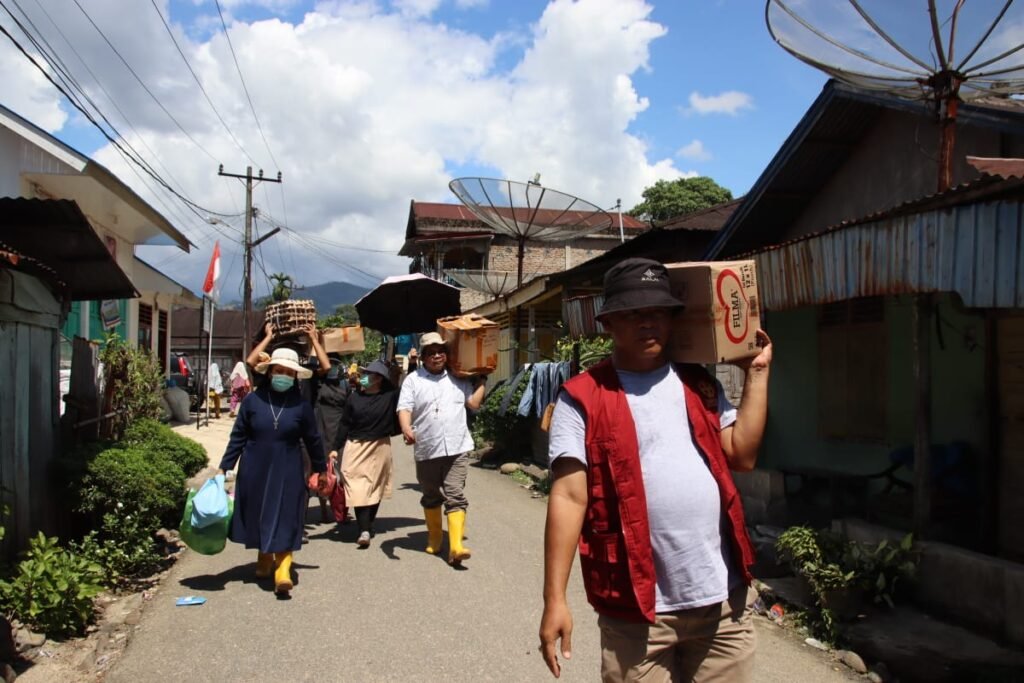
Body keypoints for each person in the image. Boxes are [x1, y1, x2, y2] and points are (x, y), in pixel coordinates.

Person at [538, 258, 773, 682]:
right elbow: (570, 497)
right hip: (637, 609)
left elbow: (741, 455)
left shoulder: (699, 384)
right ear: (608, 323)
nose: (648, 323)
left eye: (658, 312)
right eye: (633, 313)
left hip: (723, 602)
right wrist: (554, 599)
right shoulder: (583, 397)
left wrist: (756, 374)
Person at [218, 347, 329, 595]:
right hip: (255, 465)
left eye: (289, 373)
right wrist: (225, 466)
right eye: (279, 371)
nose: (284, 376)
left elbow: (313, 440)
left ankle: (283, 570)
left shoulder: (301, 406)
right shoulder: (252, 401)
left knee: (286, 514)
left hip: (288, 465)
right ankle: (265, 556)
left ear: (295, 376)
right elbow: (238, 436)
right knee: (260, 512)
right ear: (270, 372)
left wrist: (321, 470)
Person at [397, 332, 486, 566]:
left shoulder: (458, 378)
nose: (436, 356)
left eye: (440, 352)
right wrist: (406, 428)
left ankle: (456, 546)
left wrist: (482, 380)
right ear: (423, 357)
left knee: (455, 494)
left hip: (457, 446)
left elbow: (473, 403)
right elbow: (404, 408)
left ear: (446, 354)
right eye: (431, 353)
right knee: (431, 494)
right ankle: (435, 537)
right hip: (427, 447)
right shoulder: (413, 380)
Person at [329, 359, 399, 547]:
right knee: (357, 487)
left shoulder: (390, 396)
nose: (364, 377)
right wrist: (335, 447)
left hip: (380, 446)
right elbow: (344, 423)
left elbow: (405, 390)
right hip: (355, 446)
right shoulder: (354, 398)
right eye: (364, 373)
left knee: (375, 488)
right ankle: (364, 529)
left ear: (379, 379)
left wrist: (411, 364)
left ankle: (367, 524)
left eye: (369, 374)